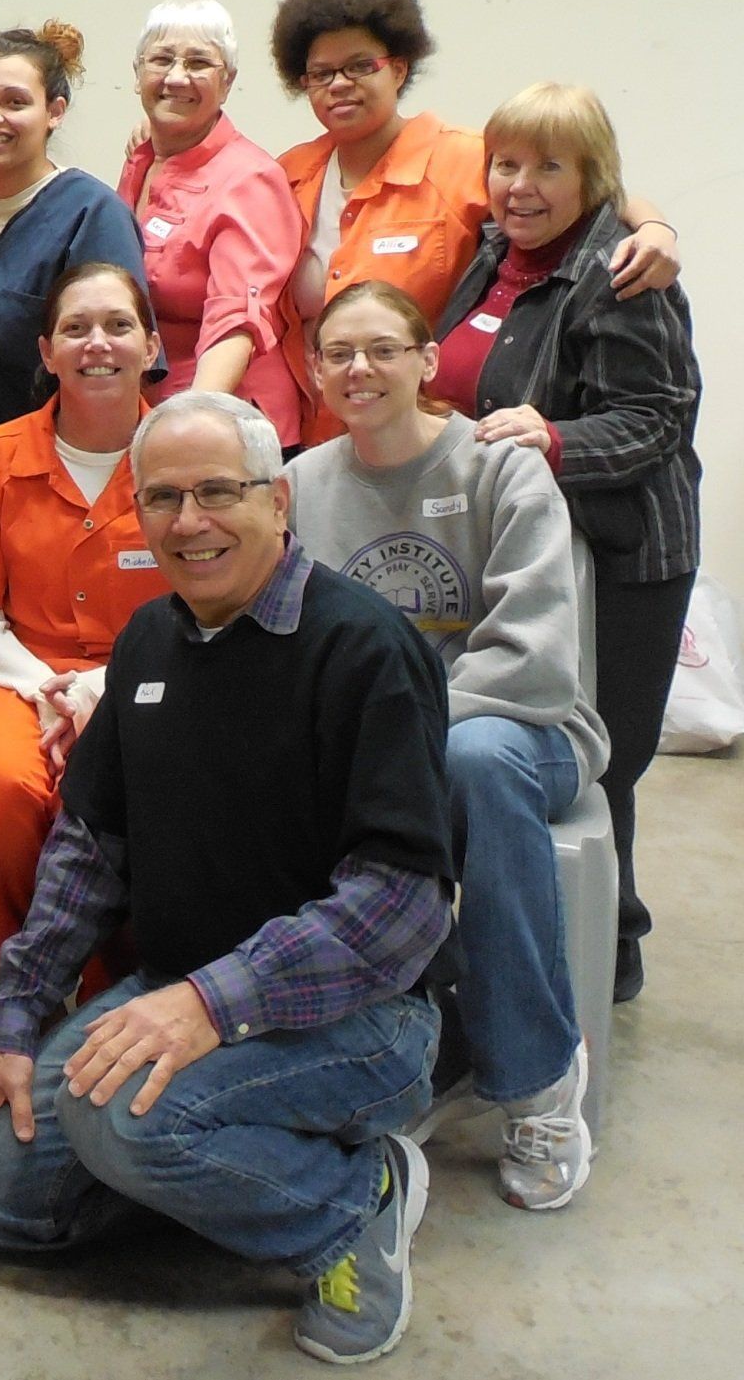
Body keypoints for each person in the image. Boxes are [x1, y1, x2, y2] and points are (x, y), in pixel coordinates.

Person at [0, 391, 454, 1365]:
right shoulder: (147, 641)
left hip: (358, 1020)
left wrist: (213, 1002)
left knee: (120, 1119)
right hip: (176, 989)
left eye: (218, 491)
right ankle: (228, 1175)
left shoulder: (365, 649)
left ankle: (357, 1202)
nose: (189, 522)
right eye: (163, 497)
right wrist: (14, 1030)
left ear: (279, 499)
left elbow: (400, 905)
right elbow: (86, 852)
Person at [288, 280, 610, 1209]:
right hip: (374, 744)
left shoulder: (502, 468)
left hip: (522, 732)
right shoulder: (299, 486)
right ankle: (394, 1053)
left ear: (429, 361)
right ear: (314, 370)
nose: (360, 368)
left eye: (384, 349)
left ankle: (539, 1080)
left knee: (473, 765)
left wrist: (397, 737)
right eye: (339, 352)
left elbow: (535, 661)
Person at [435, 83, 701, 1004]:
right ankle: (569, 936)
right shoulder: (492, 252)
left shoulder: (622, 270)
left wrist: (552, 437)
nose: (521, 185)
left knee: (602, 761)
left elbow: (656, 417)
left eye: (550, 166)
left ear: (592, 178)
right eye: (507, 164)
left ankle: (607, 949)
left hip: (622, 554)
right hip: (524, 542)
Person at [270, 0, 680, 443]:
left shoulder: (465, 159)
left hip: (422, 443)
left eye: (360, 66)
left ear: (398, 69)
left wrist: (655, 227)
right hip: (310, 438)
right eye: (321, 73)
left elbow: (586, 200)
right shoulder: (287, 174)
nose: (339, 84)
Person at [0, 263, 171, 1000]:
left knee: (134, 800)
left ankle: (109, 998)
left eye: (118, 325)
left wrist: (102, 687)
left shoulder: (189, 457)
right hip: (18, 679)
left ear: (152, 345)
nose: (97, 343)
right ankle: (15, 991)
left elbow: (209, 610)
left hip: (156, 680)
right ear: (47, 352)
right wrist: (55, 690)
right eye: (75, 328)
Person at [0, 20, 153, 760]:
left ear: (55, 111)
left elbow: (113, 356)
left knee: (80, 714)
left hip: (52, 489)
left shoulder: (90, 213)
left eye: (14, 101)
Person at [116, 0, 303, 445]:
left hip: (225, 426)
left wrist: (191, 427)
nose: (176, 77)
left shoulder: (250, 179)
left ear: (228, 81)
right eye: (161, 60)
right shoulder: (142, 159)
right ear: (138, 72)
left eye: (198, 63)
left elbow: (236, 320)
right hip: (150, 414)